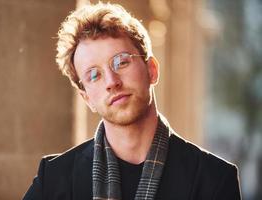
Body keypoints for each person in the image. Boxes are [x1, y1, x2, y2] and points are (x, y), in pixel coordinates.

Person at [23, 2, 241, 200]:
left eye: (121, 62)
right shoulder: (53, 180)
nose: (111, 81)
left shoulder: (214, 180)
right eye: (94, 75)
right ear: (86, 98)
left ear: (152, 70)